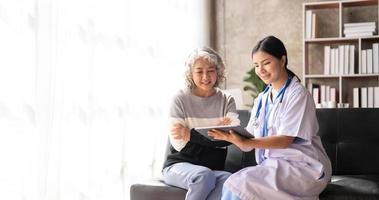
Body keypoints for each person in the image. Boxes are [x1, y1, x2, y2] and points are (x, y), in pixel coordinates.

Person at [208, 36, 332, 200]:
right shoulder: (262, 99)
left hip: (303, 168)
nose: (261, 70)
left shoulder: (298, 94)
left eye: (266, 63)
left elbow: (284, 140)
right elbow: (248, 145)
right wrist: (231, 136)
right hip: (273, 167)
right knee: (235, 184)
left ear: (282, 60)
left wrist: (246, 142)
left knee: (238, 184)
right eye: (256, 65)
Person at [162, 47, 240, 200]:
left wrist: (190, 134)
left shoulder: (227, 100)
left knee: (231, 181)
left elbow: (229, 139)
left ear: (218, 72)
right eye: (199, 71)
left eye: (211, 70)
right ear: (191, 73)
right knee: (203, 175)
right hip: (179, 166)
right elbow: (179, 143)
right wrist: (215, 132)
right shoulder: (179, 99)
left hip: (213, 169)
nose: (205, 76)